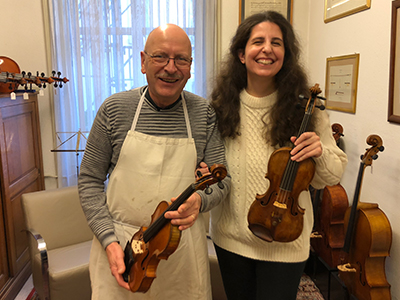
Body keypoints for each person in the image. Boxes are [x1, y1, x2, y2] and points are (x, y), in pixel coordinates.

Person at [78, 24, 230, 300]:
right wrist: (109, 242)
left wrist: (201, 201)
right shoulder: (114, 109)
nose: (170, 68)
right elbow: (89, 181)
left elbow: (223, 181)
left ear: (190, 66)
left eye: (181, 59)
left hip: (181, 253)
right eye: (160, 56)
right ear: (143, 62)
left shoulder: (203, 113)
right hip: (123, 250)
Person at [206, 11, 348, 300]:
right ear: (241, 54)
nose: (267, 49)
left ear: (286, 54)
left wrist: (319, 152)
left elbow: (330, 177)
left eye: (277, 42)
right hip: (230, 239)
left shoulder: (307, 110)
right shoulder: (219, 108)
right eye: (257, 41)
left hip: (286, 241)